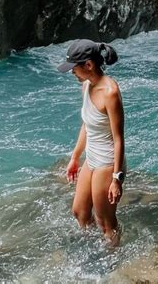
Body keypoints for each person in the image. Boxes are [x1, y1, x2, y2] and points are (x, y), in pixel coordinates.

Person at [57, 39, 126, 245]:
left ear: (89, 65)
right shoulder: (86, 86)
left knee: (105, 222)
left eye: (74, 68)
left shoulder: (110, 93)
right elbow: (87, 124)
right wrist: (75, 158)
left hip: (107, 162)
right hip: (92, 157)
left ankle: (114, 258)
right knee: (79, 212)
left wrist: (117, 179)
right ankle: (92, 249)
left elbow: (118, 138)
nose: (72, 73)